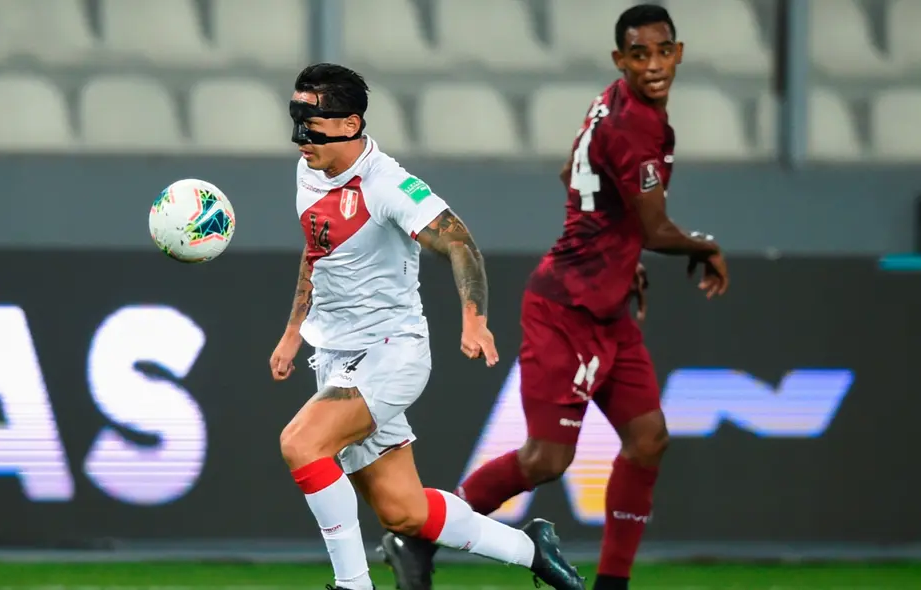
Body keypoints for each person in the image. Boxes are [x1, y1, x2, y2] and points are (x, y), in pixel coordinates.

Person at [378, 5, 730, 590]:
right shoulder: (635, 125)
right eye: (639, 54)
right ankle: (418, 536)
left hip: (608, 309)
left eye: (662, 51)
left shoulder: (613, 103)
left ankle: (612, 584)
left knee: (648, 439)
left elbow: (573, 172)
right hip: (566, 310)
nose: (653, 64)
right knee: (546, 459)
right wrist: (705, 247)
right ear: (620, 60)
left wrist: (619, 258)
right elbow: (654, 226)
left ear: (679, 52)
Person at [268, 63, 586, 590]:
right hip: (337, 357)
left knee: (301, 444)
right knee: (405, 513)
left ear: (350, 124)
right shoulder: (311, 171)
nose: (300, 137)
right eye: (296, 121)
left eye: (312, 124)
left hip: (389, 354)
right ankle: (533, 548)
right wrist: (292, 332)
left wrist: (474, 320)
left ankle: (353, 585)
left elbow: (460, 243)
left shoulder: (389, 185)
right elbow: (317, 248)